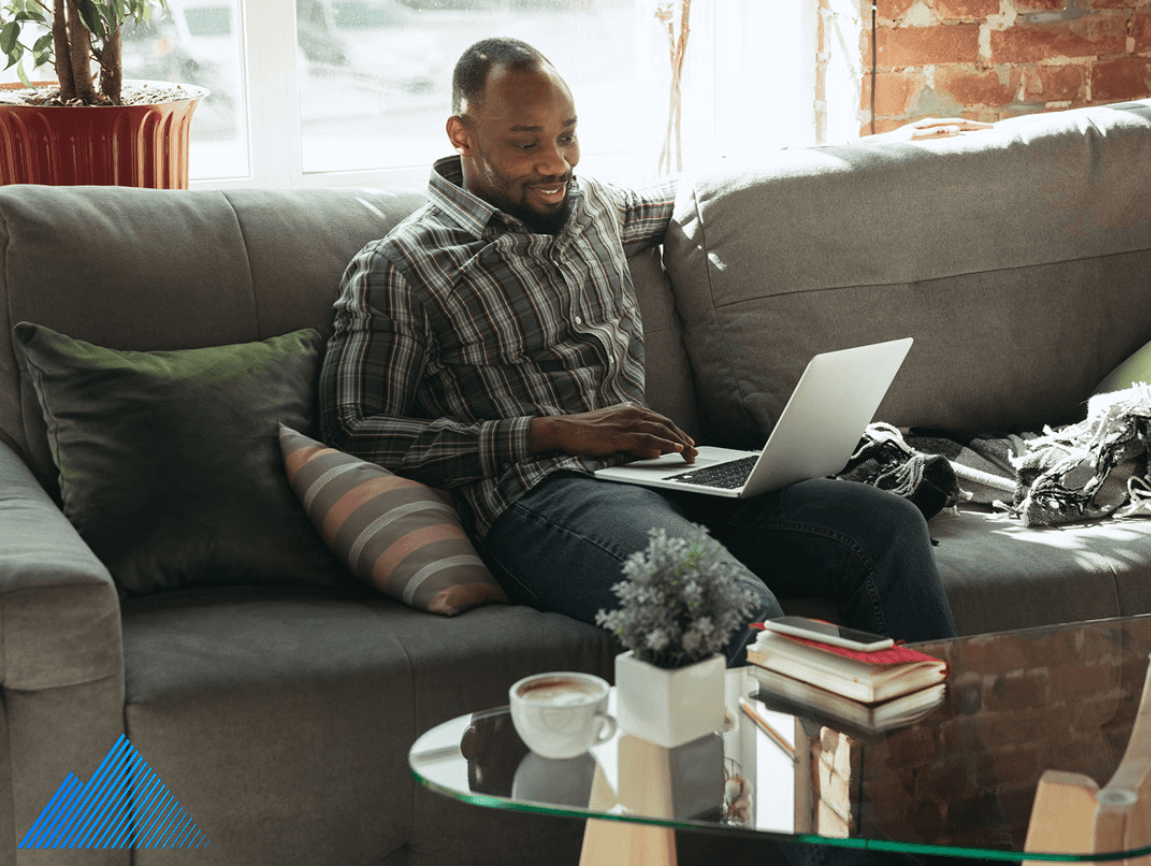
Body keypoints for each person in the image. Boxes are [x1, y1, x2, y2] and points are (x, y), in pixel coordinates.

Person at [318, 37, 970, 670]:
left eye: (566, 136)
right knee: (725, 609)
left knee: (886, 527)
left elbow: (704, 190)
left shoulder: (593, 205)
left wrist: (878, 152)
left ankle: (925, 769)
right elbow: (353, 432)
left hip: (663, 471)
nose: (555, 163)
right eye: (526, 143)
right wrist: (550, 433)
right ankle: (780, 781)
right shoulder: (400, 268)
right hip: (542, 497)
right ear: (460, 134)